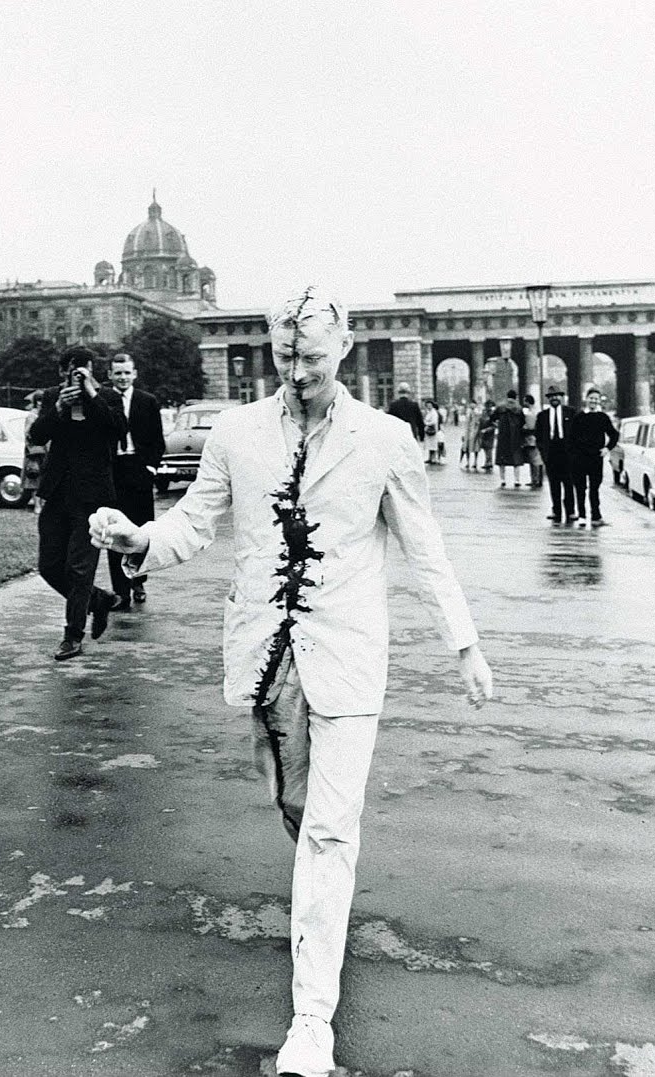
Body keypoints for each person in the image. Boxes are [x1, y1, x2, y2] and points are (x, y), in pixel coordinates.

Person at [87, 288, 493, 1077]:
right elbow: (197, 520)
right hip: (266, 662)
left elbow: (426, 548)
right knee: (299, 812)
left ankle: (312, 1021)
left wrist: (465, 644)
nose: (298, 372)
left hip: (346, 661)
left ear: (345, 348)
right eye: (284, 356)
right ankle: (323, 902)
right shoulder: (237, 434)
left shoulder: (386, 440)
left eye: (311, 357)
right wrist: (141, 536)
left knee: (332, 831)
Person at [29, 344, 126, 660]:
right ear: (61, 373)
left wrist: (91, 394)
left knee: (79, 568)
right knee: (49, 566)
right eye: (73, 372)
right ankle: (98, 600)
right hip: (57, 493)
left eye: (85, 371)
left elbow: (117, 430)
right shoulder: (52, 396)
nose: (78, 377)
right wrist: (58, 407)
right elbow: (37, 436)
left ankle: (72, 636)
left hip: (92, 497)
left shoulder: (107, 398)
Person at [106, 352, 165, 611]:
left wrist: (150, 468)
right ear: (109, 375)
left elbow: (157, 440)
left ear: (134, 374)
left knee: (140, 530)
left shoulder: (147, 401)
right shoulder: (103, 400)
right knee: (114, 532)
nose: (122, 377)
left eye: (126, 372)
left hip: (139, 470)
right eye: (117, 373)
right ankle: (120, 591)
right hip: (113, 471)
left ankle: (138, 580)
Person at [568, 386, 619, 528]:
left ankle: (596, 516)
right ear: (586, 399)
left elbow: (614, 434)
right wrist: (573, 455)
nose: (593, 401)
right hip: (579, 458)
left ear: (599, 401)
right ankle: (582, 516)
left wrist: (607, 448)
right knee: (580, 488)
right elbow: (570, 438)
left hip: (596, 458)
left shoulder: (603, 417)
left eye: (596, 399)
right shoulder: (578, 417)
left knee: (594, 488)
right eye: (591, 398)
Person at [534, 384, 577, 525]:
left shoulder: (570, 413)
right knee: (554, 485)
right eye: (551, 396)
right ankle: (556, 511)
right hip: (551, 454)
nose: (554, 398)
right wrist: (543, 452)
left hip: (567, 454)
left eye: (557, 395)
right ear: (548, 399)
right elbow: (538, 436)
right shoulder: (542, 416)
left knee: (569, 483)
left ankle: (570, 511)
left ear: (561, 397)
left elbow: (578, 433)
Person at [491, 389, 526, 488]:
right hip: (515, 437)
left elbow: (492, 418)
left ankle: (503, 480)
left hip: (503, 436)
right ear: (515, 397)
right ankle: (516, 480)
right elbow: (523, 422)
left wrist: (498, 425)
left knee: (502, 460)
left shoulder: (500, 406)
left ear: (507, 396)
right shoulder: (519, 408)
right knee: (516, 460)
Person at [521, 393, 543, 489]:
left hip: (531, 439)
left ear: (527, 401)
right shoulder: (535, 411)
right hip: (533, 438)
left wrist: (524, 428)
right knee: (534, 460)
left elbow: (530, 426)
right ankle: (535, 479)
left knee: (534, 460)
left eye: (524, 400)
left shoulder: (531, 413)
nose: (523, 402)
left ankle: (536, 479)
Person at [421, 398, 442, 463]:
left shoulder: (434, 412)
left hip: (432, 430)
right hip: (428, 430)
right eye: (427, 405)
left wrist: (426, 423)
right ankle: (430, 458)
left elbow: (434, 421)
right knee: (430, 445)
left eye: (430, 405)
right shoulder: (429, 412)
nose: (428, 406)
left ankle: (433, 458)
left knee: (433, 445)